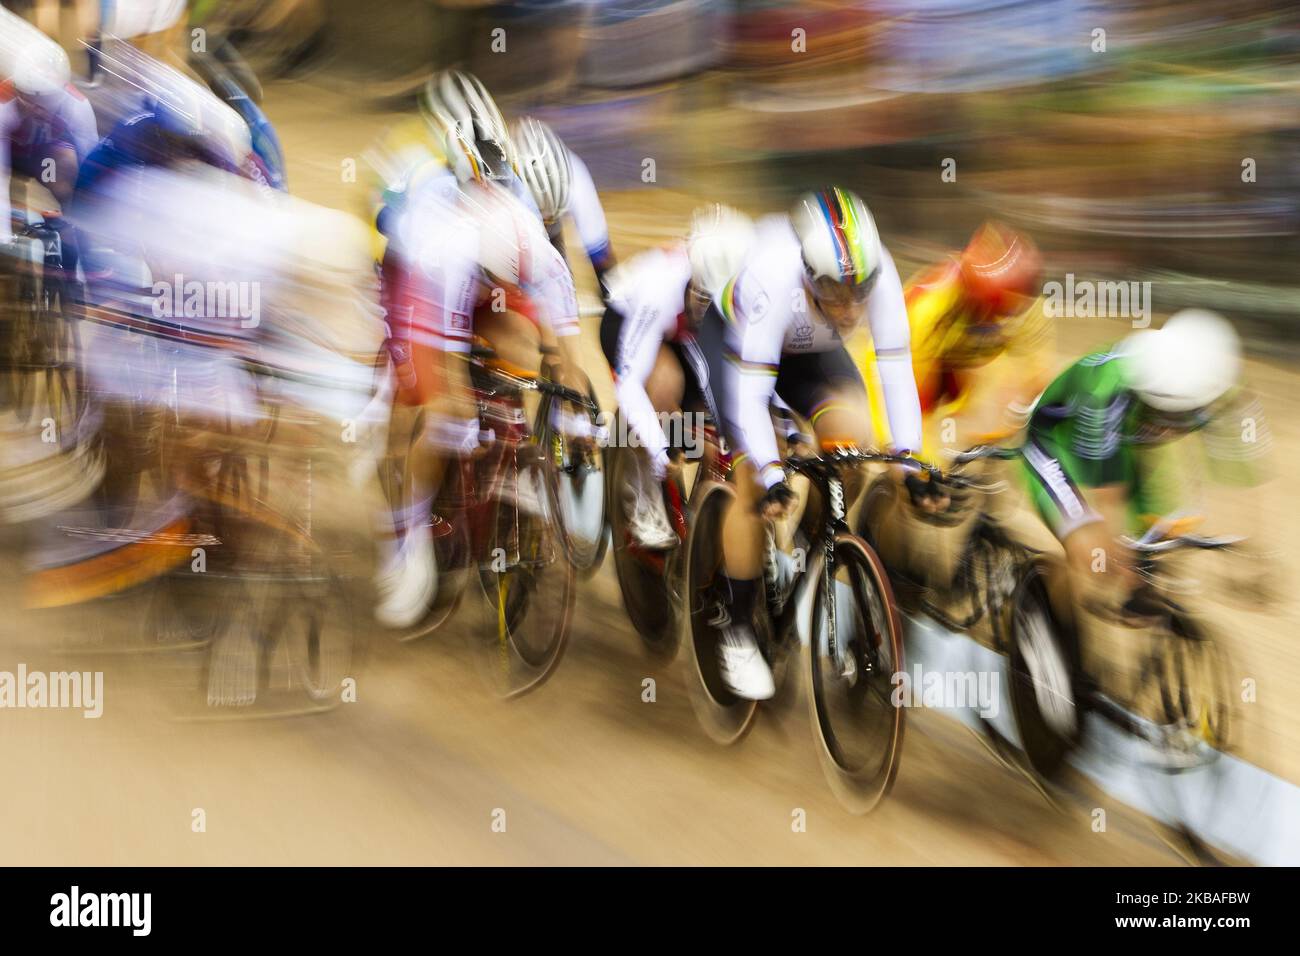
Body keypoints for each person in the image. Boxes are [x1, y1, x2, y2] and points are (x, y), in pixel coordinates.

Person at [700, 187, 923, 699]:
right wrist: (771, 474)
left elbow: (895, 369)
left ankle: (805, 549)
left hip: (808, 355)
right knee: (753, 483)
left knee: (856, 450)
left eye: (859, 292)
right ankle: (734, 628)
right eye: (834, 292)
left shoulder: (879, 270)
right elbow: (751, 396)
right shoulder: (775, 278)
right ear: (808, 277)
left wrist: (908, 461)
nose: (849, 308)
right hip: (739, 345)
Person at [1020, 308, 1248, 612]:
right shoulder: (1106, 391)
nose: (1170, 426)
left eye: (1183, 416)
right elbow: (1109, 497)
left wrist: (1250, 555)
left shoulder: (1216, 384)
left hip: (1125, 448)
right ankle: (1042, 622)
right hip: (1055, 442)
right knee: (1093, 557)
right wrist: (1116, 556)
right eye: (1164, 414)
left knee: (1154, 552)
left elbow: (1244, 472)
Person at [600, 203, 753, 547]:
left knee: (709, 425)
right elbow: (629, 385)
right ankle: (643, 495)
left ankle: (703, 514)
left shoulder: (744, 289)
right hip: (629, 317)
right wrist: (659, 450)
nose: (708, 309)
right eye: (703, 298)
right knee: (664, 389)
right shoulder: (660, 286)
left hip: (686, 334)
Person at [512, 115, 616, 299]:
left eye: (548, 218)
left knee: (558, 284)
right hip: (511, 220)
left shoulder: (576, 179)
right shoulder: (503, 187)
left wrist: (612, 299)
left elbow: (601, 258)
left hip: (548, 212)